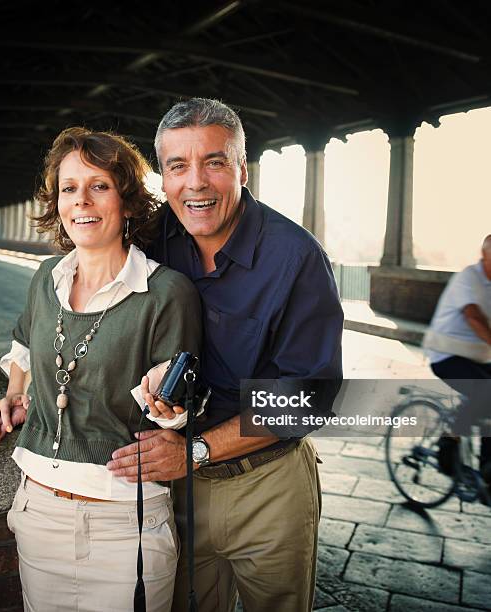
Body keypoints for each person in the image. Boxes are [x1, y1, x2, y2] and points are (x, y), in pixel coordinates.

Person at [107, 98, 343, 612]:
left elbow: (310, 396)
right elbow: (79, 298)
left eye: (214, 162)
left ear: (241, 167)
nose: (196, 182)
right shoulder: (149, 243)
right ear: (162, 179)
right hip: (174, 492)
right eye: (177, 166)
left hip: (268, 484)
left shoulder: (296, 257)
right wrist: (22, 387)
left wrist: (196, 450)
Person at [0, 127, 202, 612]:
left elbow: (174, 414)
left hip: (125, 525)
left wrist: (169, 405)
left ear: (128, 201)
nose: (82, 201)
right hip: (37, 512)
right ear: (56, 202)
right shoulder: (44, 279)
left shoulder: (167, 293)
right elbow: (23, 342)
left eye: (99, 186)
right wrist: (14, 393)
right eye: (69, 188)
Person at [423, 234, 491, 483]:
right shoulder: (468, 278)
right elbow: (474, 317)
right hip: (447, 354)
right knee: (485, 391)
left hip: (478, 358)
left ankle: (487, 468)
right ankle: (448, 442)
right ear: (484, 255)